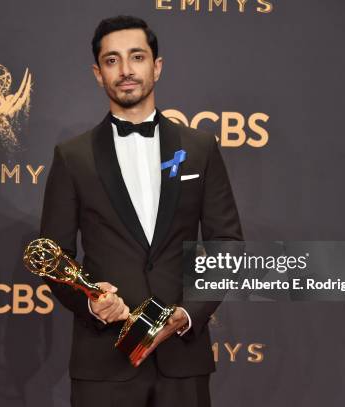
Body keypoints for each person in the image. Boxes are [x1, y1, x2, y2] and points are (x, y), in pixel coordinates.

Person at [39, 15, 243, 407]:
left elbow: (227, 245)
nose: (126, 70)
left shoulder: (200, 148)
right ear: (98, 74)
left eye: (137, 57)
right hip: (103, 362)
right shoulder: (72, 157)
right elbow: (54, 256)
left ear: (157, 66)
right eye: (112, 60)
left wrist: (186, 315)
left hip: (182, 362)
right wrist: (89, 302)